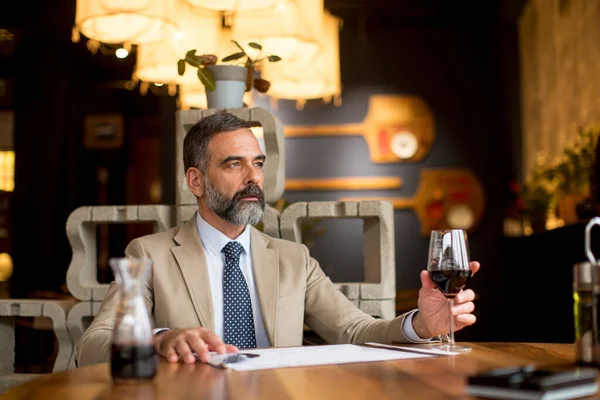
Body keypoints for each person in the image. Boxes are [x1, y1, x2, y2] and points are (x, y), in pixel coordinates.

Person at [76, 111, 479, 366]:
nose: (253, 178)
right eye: (234, 164)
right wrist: (162, 338)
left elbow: (355, 330)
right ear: (195, 181)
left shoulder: (294, 259)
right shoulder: (150, 253)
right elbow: (92, 345)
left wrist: (423, 325)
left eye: (257, 164)